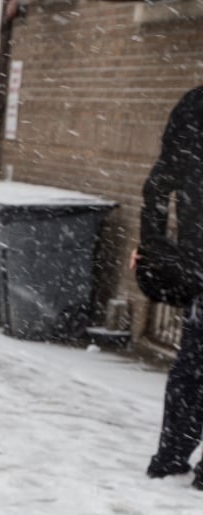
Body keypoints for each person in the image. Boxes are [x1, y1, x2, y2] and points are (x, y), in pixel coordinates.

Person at [140, 85, 203, 490]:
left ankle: (172, 454)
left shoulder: (195, 106)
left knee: (194, 362)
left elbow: (159, 184)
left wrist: (158, 247)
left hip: (199, 256)